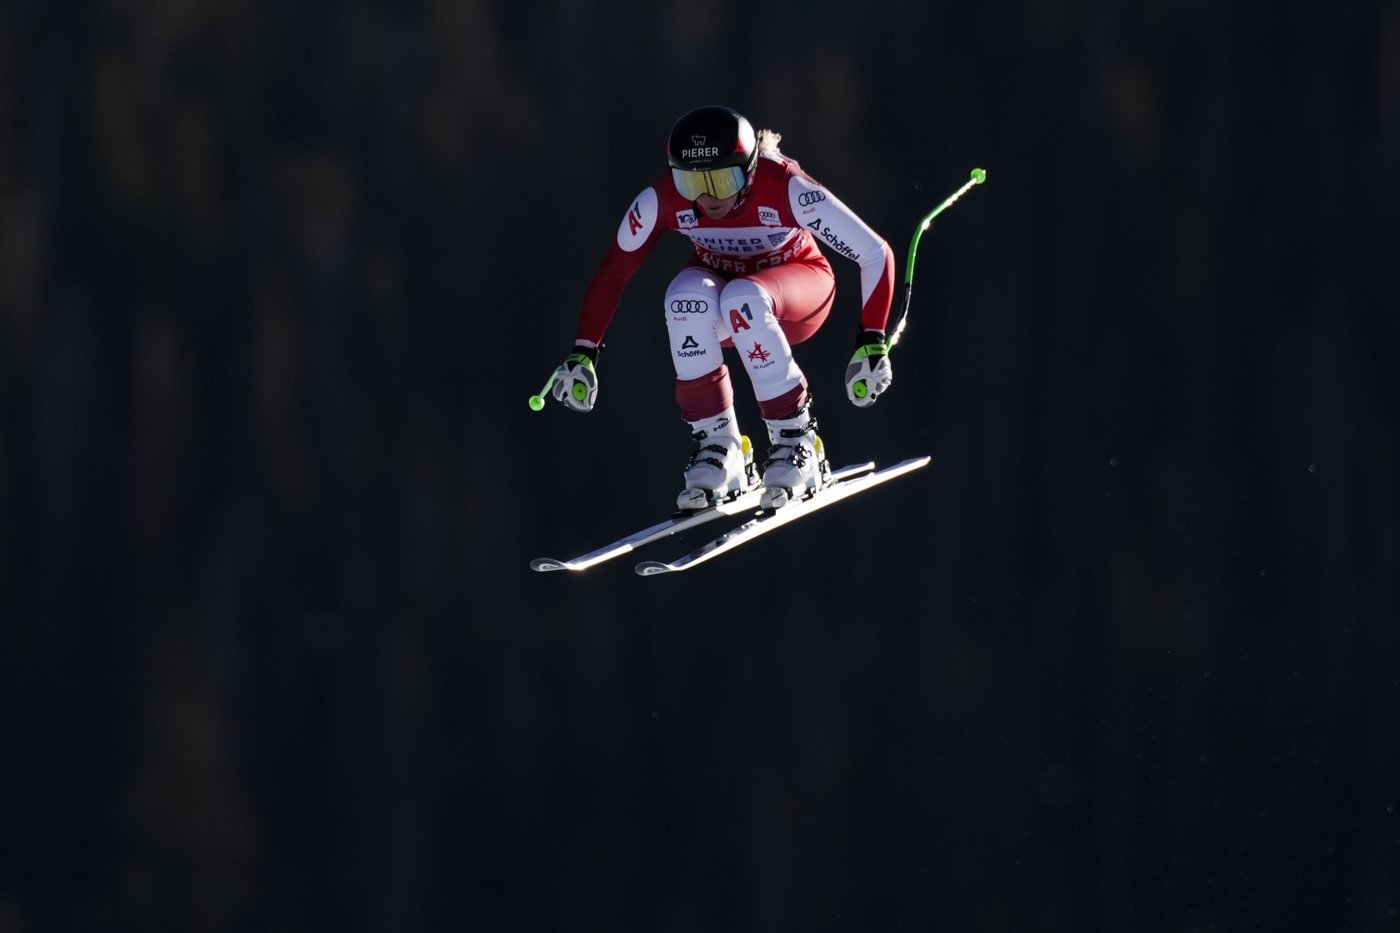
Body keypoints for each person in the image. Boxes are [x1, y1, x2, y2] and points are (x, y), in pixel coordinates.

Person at [547, 104, 896, 510]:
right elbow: (614, 271)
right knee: (682, 298)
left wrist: (871, 339)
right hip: (729, 296)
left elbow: (874, 252)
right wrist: (583, 352)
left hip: (799, 290)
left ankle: (797, 442)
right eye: (692, 183)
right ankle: (720, 447)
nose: (709, 197)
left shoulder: (783, 186)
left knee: (742, 299)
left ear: (749, 171)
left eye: (723, 180)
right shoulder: (662, 198)